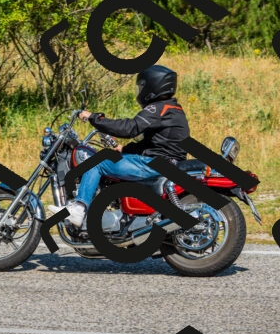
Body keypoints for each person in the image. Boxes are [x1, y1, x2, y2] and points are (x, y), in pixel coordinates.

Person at [48, 64, 190, 227]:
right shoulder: (172, 108)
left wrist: (94, 118)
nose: (140, 90)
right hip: (164, 162)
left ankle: (79, 208)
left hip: (157, 164)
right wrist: (125, 149)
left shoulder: (158, 109)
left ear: (153, 85)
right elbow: (155, 143)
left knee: (98, 162)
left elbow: (129, 128)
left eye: (142, 86)